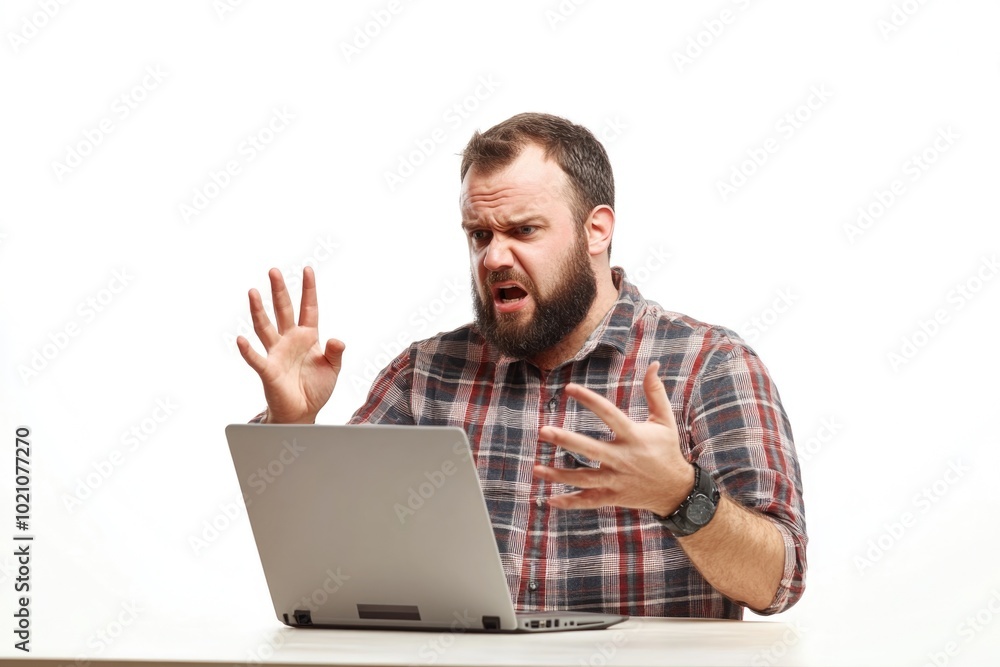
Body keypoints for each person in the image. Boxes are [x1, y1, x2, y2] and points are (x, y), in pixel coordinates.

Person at [236, 112, 807, 619]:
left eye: (523, 230)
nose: (494, 257)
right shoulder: (424, 375)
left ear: (596, 230)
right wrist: (292, 429)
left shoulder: (710, 365)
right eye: (479, 234)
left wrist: (679, 494)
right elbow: (332, 566)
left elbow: (776, 583)